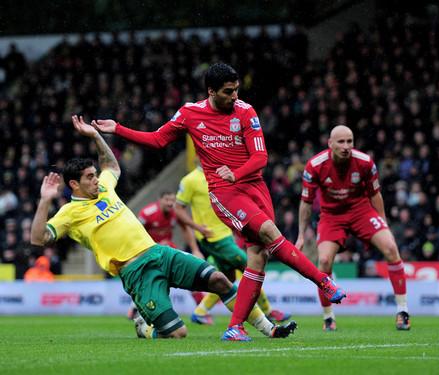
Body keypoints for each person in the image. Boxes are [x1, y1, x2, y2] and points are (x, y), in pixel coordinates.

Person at [91, 62, 346, 341]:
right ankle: (323, 282)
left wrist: (236, 172)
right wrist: (117, 129)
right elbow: (157, 140)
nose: (235, 96)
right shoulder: (190, 113)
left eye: (236, 90)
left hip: (254, 187)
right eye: (228, 91)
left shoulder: (246, 111)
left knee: (258, 258)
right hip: (225, 192)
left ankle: (234, 327)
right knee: (270, 234)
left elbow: (260, 158)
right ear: (211, 91)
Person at [31, 115, 296, 340]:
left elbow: (110, 165)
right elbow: (39, 238)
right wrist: (45, 201)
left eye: (95, 175)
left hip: (159, 253)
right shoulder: (69, 213)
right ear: (74, 185)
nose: (96, 180)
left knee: (219, 279)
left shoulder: (105, 188)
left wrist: (95, 135)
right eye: (89, 177)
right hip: (135, 272)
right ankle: (145, 327)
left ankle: (269, 329)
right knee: (177, 333)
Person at [295, 125, 411, 331]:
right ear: (330, 144)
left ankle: (403, 311)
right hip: (331, 216)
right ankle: (328, 317)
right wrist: (301, 235)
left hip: (361, 211)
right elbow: (306, 203)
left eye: (350, 141)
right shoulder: (315, 166)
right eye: (341, 142)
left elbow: (375, 195)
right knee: (323, 261)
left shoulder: (365, 163)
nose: (346, 146)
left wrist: (383, 222)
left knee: (391, 249)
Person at [175, 162, 291, 325]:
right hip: (214, 238)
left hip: (226, 234)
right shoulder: (190, 180)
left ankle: (200, 312)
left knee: (227, 277)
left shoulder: (219, 174)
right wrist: (197, 227)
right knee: (251, 267)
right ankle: (269, 312)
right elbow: (178, 208)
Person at [125, 191, 211, 320]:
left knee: (189, 270)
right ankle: (135, 307)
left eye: (173, 200)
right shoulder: (147, 213)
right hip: (148, 251)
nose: (170, 203)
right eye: (167, 200)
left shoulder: (175, 212)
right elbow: (134, 232)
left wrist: (195, 249)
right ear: (159, 200)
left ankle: (201, 310)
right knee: (151, 280)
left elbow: (186, 228)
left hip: (167, 250)